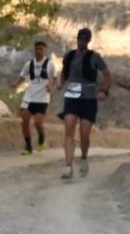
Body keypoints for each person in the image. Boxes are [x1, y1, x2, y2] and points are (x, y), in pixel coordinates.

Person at [58, 27, 111, 180]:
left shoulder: (95, 57)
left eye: (84, 39)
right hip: (71, 98)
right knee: (69, 130)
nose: (81, 42)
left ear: (88, 41)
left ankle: (83, 158)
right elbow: (64, 72)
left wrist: (104, 91)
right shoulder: (69, 55)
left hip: (88, 99)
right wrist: (61, 83)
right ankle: (68, 167)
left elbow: (107, 75)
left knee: (84, 135)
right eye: (79, 39)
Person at [12, 38, 59, 154]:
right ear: (34, 50)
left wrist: (51, 86)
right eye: (36, 49)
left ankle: (42, 139)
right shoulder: (29, 64)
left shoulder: (50, 64)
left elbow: (55, 78)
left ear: (45, 50)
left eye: (41, 49)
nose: (38, 51)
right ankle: (28, 148)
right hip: (29, 96)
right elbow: (23, 77)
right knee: (24, 121)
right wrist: (16, 84)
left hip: (43, 97)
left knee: (37, 122)